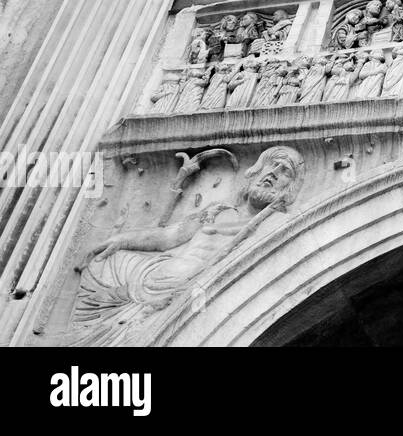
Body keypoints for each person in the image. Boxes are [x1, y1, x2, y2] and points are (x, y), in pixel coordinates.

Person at [74, 147, 306, 345]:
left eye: (285, 171)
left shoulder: (271, 226)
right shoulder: (218, 210)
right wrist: (121, 240)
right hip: (148, 278)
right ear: (257, 170)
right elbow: (168, 238)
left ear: (290, 188)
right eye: (272, 165)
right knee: (103, 262)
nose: (274, 173)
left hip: (183, 294)